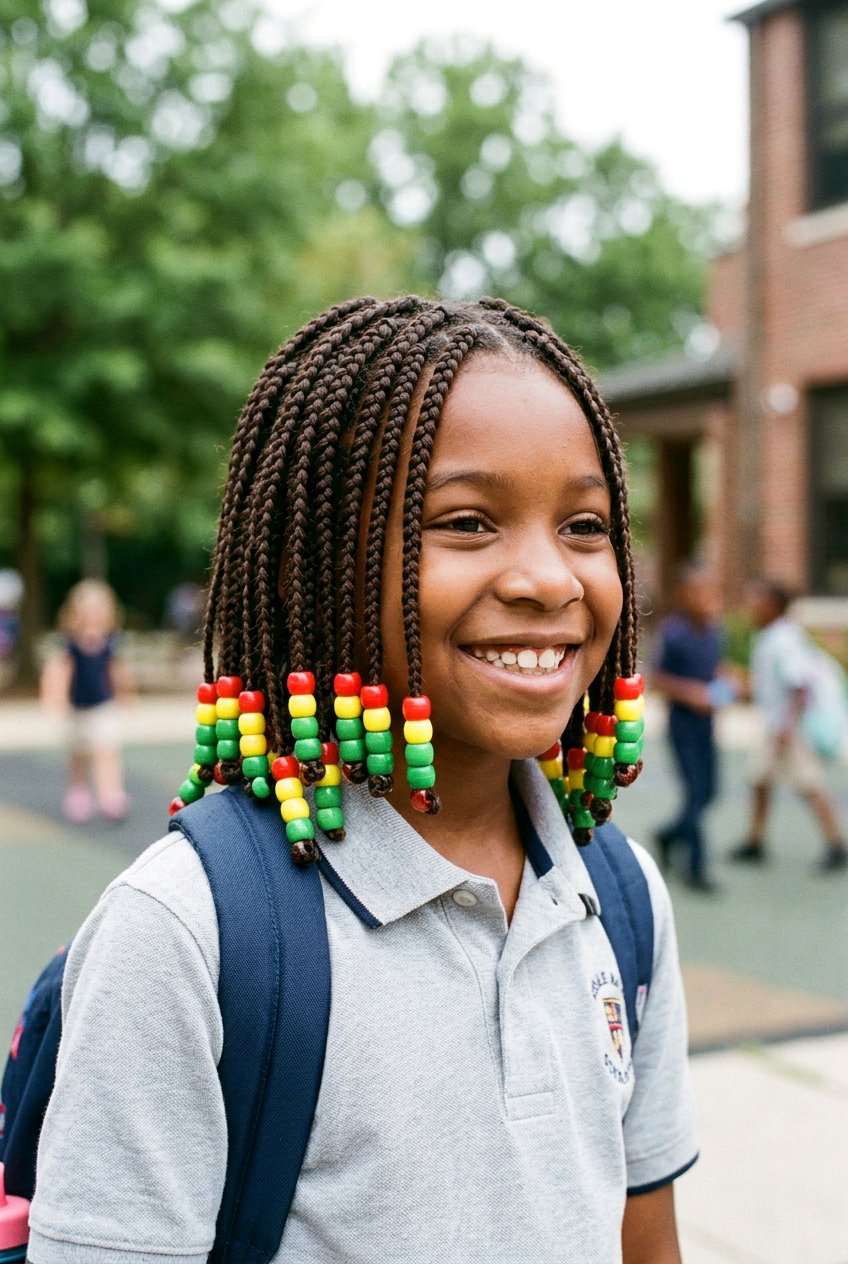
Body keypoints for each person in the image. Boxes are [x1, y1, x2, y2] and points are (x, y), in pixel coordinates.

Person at [29, 298, 697, 1264]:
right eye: (468, 523)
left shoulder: (619, 899)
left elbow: (645, 1240)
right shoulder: (190, 934)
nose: (549, 578)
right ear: (314, 570)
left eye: (585, 525)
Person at [730, 580, 847, 871]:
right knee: (760, 781)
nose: (752, 608)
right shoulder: (771, 635)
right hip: (775, 727)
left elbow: (799, 685)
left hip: (785, 731)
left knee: (809, 785)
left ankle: (837, 845)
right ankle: (755, 840)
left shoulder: (782, 639)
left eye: (758, 602)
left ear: (773, 607)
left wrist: (786, 726)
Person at [651, 562, 737, 892]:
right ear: (684, 596)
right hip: (682, 727)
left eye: (712, 592)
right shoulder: (674, 632)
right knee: (695, 792)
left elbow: (716, 667)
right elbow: (659, 679)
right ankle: (696, 868)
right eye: (699, 592)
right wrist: (690, 693)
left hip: (707, 727)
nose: (707, 599)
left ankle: (668, 835)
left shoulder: (715, 629)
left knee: (710, 792)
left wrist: (729, 679)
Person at [39, 579, 133, 823]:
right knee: (79, 754)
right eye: (88, 612)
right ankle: (78, 793)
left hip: (103, 706)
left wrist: (125, 692)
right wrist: (54, 696)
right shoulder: (70, 644)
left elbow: (117, 671)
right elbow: (59, 671)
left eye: (99, 611)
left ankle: (110, 795)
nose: (94, 617)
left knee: (107, 751)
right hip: (77, 708)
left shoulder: (110, 643)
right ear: (75, 615)